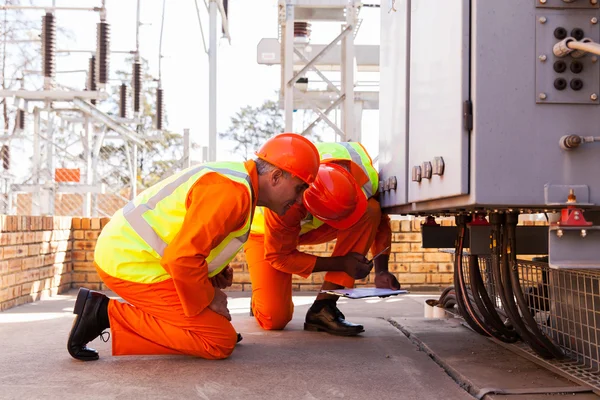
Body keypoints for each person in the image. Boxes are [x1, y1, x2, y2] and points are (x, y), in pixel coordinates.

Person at [66, 133, 321, 361]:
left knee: (214, 325)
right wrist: (210, 298)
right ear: (276, 176)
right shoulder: (232, 192)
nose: (300, 199)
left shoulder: (238, 182)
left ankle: (197, 324)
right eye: (299, 188)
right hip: (131, 262)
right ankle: (103, 313)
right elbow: (182, 258)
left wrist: (214, 270)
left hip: (136, 254)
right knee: (218, 342)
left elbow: (191, 235)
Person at [244, 141, 400, 336]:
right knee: (274, 319)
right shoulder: (286, 203)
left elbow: (381, 221)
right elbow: (279, 256)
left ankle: (324, 307)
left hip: (311, 228)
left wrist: (382, 270)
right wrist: (341, 263)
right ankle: (260, 296)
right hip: (267, 236)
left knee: (371, 209)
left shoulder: (366, 178)